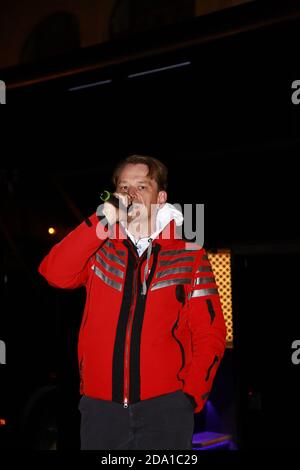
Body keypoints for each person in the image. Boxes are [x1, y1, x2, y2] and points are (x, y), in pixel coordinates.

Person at [39, 155, 226, 450]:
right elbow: (55, 273)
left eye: (142, 186)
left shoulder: (189, 254)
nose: (131, 195)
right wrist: (101, 221)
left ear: (161, 198)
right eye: (124, 187)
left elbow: (210, 332)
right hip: (101, 409)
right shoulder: (100, 247)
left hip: (166, 408)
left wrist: (190, 396)